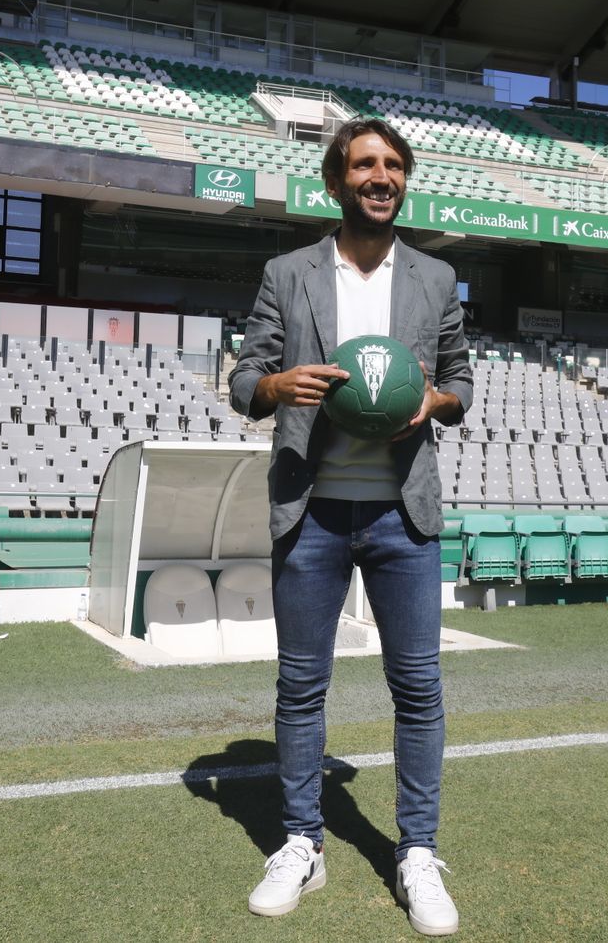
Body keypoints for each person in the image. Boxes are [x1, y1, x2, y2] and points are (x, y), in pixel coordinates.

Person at [228, 117, 473, 936]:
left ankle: (418, 852)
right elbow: (244, 375)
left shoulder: (435, 278)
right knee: (301, 687)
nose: (381, 176)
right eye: (364, 164)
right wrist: (276, 387)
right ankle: (302, 841)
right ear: (335, 183)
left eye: (394, 165)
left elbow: (461, 382)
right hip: (313, 512)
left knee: (419, 688)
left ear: (405, 180)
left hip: (405, 516)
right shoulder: (288, 272)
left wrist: (432, 400)